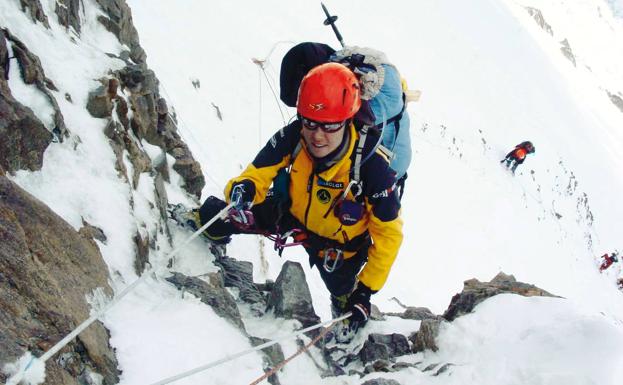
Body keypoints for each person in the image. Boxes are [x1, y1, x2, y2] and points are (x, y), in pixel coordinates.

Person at [181, 62, 403, 343]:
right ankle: (208, 225)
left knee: (345, 293)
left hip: (339, 249)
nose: (317, 135)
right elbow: (258, 172)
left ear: (348, 120)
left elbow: (389, 235)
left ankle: (346, 309)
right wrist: (244, 189)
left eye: (330, 126)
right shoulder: (294, 135)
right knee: (228, 212)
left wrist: (366, 290)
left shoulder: (372, 168)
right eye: (310, 122)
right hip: (290, 213)